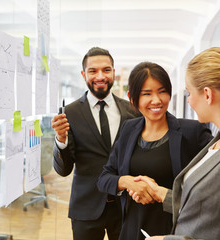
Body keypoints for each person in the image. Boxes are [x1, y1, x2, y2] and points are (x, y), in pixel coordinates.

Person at [134, 47, 220, 240]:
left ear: (208, 95)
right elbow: (210, 210)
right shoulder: (219, 142)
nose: (190, 101)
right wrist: (161, 193)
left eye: (189, 93)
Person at [97, 62, 213, 240]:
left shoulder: (193, 132)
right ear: (132, 97)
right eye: (147, 94)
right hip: (131, 230)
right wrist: (127, 182)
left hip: (172, 232)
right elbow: (104, 178)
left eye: (162, 91)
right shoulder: (129, 129)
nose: (157, 100)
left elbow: (211, 190)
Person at [51, 47, 140, 240]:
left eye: (106, 70)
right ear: (84, 74)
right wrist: (61, 139)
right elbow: (63, 170)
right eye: (93, 71)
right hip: (86, 208)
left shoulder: (132, 111)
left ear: (113, 72)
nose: (100, 76)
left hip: (126, 206)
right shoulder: (70, 113)